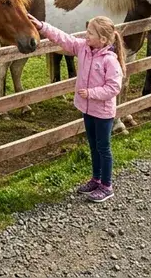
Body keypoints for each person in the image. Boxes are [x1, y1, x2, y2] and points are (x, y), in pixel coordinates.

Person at [28, 14, 124, 202]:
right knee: (93, 145)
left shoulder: (110, 61)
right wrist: (41, 26)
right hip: (87, 109)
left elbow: (114, 87)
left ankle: (106, 185)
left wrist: (91, 93)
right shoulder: (83, 48)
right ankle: (96, 179)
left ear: (102, 40)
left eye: (90, 33)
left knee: (103, 148)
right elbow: (63, 38)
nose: (86, 35)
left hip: (103, 112)